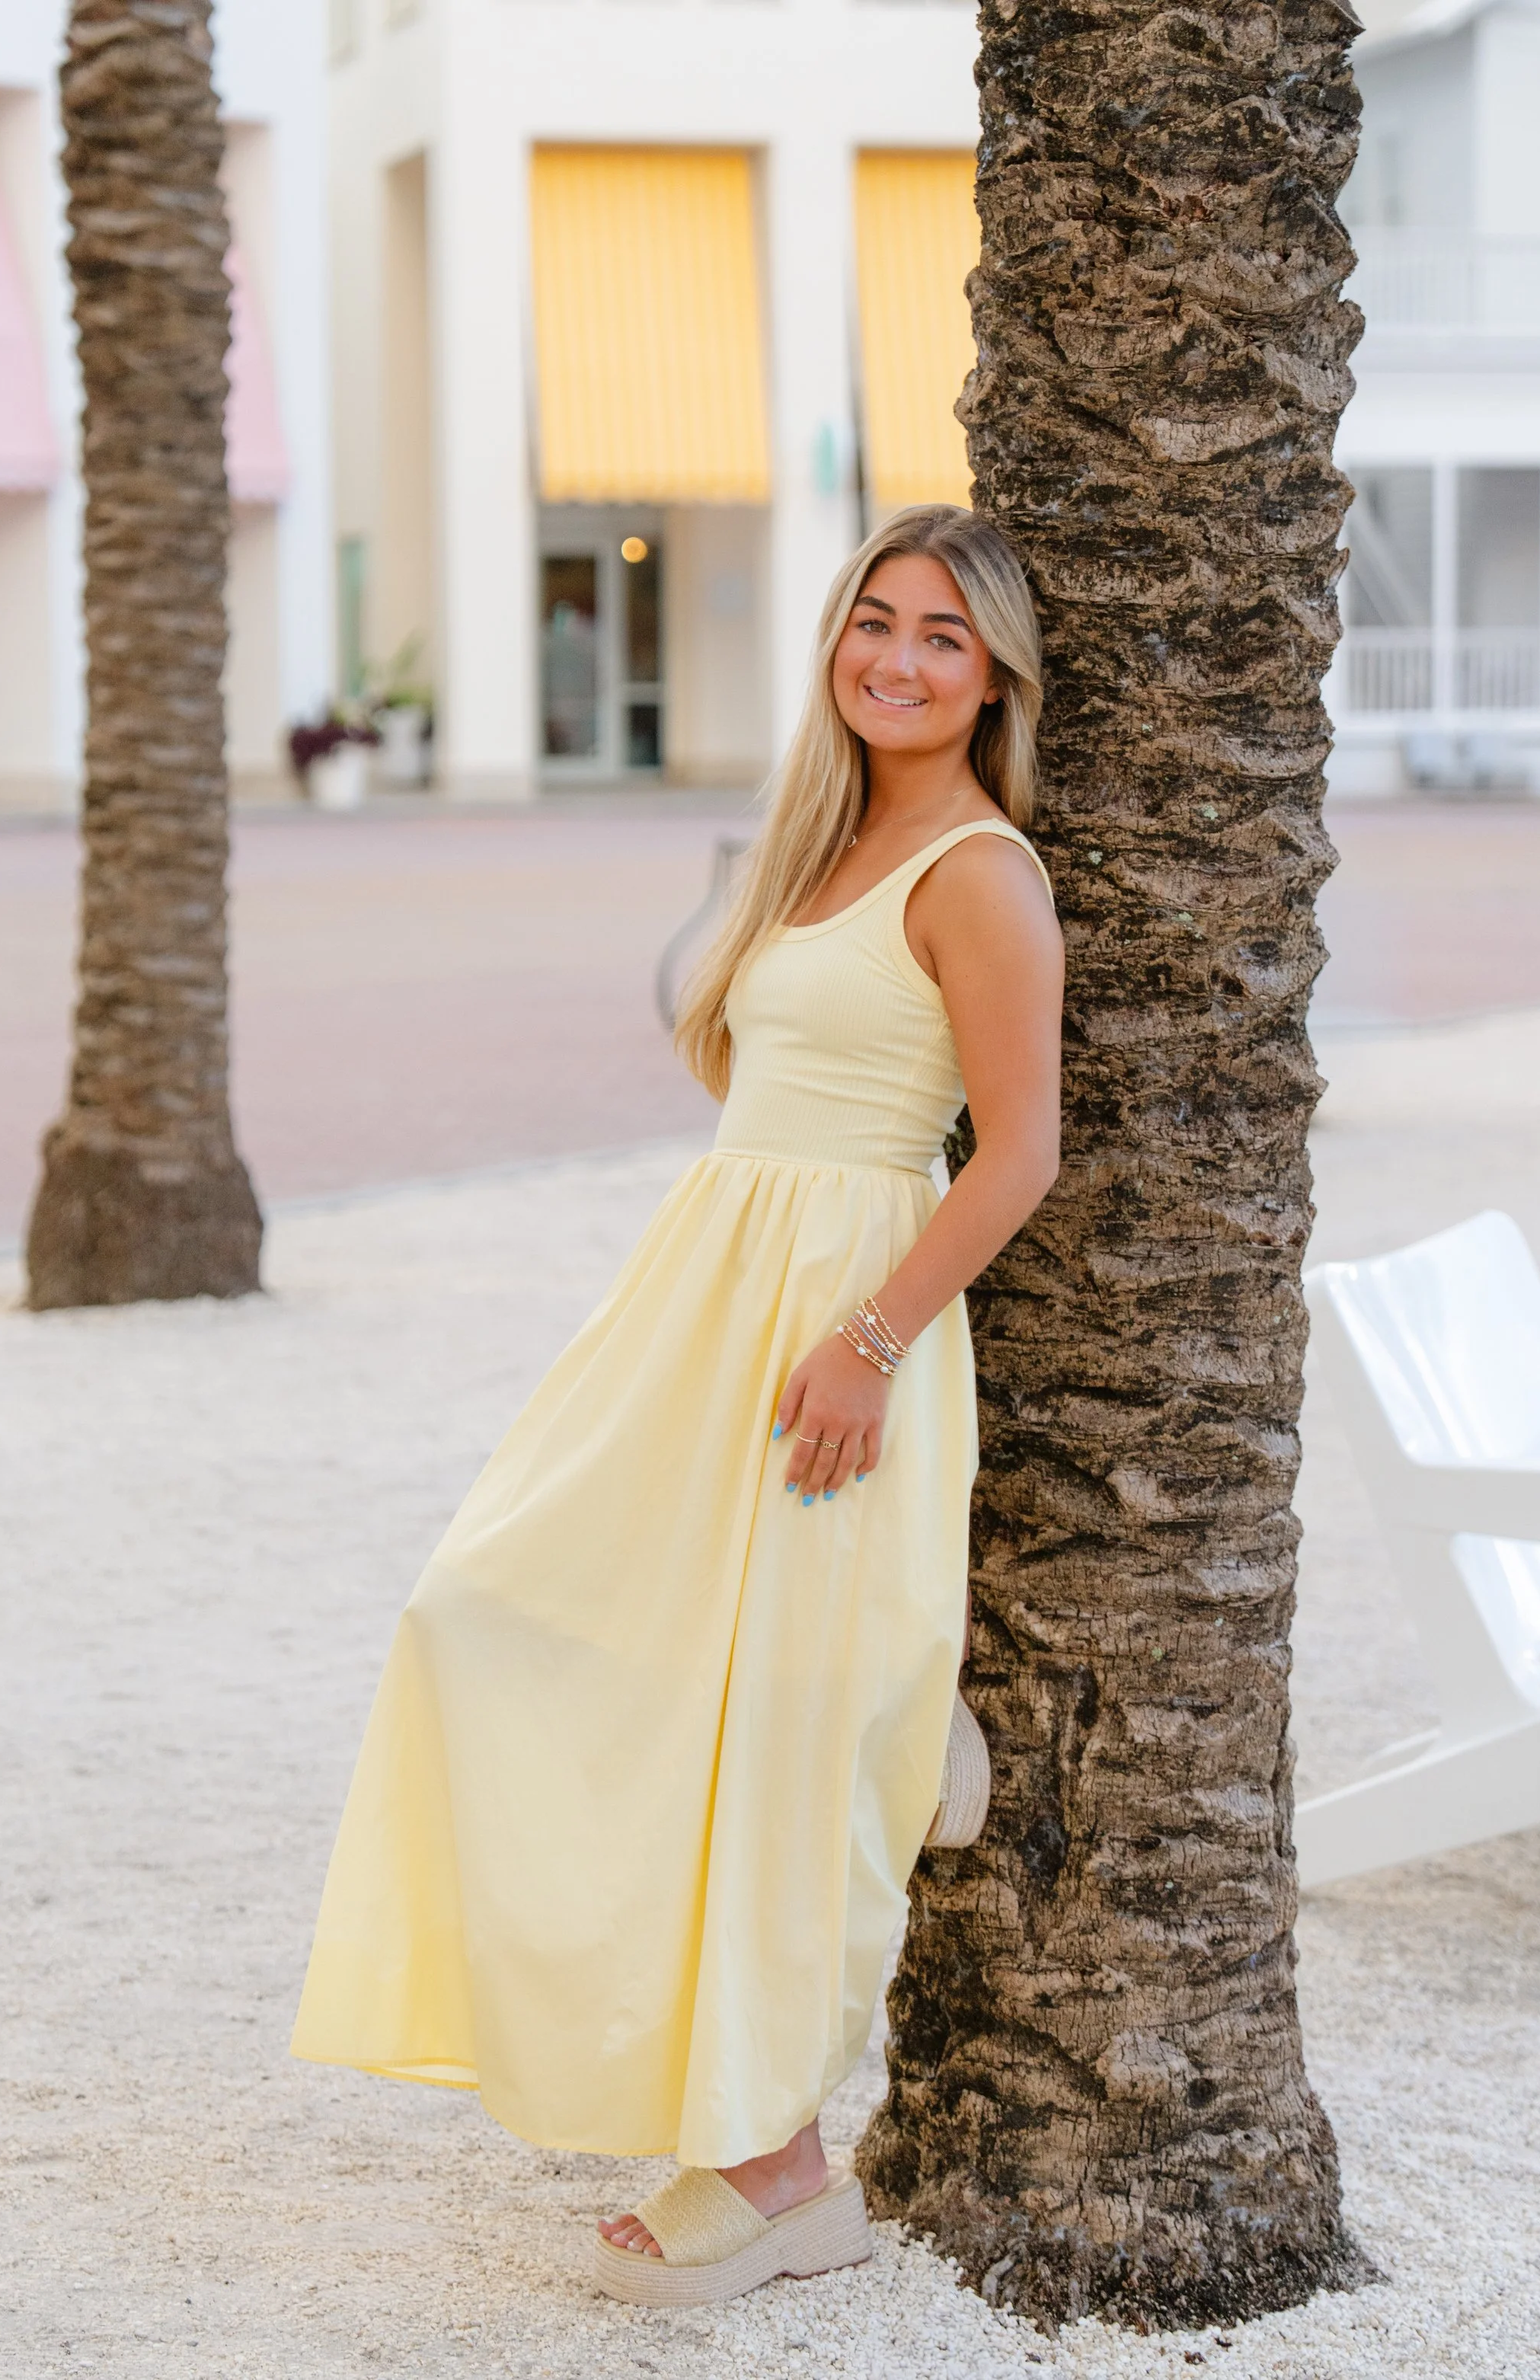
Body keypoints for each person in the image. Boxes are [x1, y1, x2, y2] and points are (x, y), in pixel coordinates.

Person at [291, 504, 1065, 2307]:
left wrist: (865, 1343)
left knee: (774, 1721)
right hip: (708, 1288)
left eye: (942, 636)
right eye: (873, 620)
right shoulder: (825, 836)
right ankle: (902, 1711)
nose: (895, 656)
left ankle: (783, 2168)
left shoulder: (976, 868)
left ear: (995, 676)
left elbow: (1016, 1151)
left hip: (839, 1315)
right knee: (486, 1606)